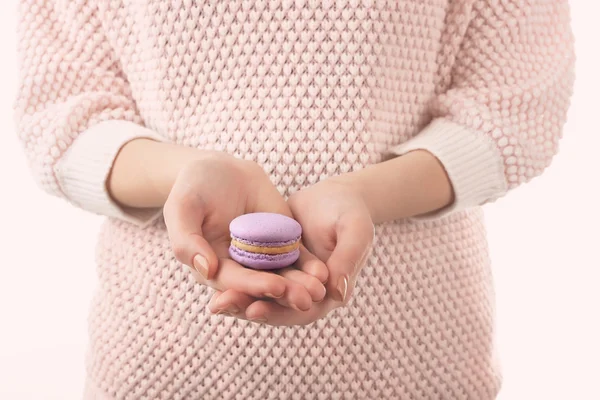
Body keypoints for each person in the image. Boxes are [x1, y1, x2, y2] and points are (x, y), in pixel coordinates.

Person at [13, 0, 574, 399]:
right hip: (158, 366)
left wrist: (362, 196)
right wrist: (184, 175)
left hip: (420, 362)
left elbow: (513, 107)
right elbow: (63, 109)